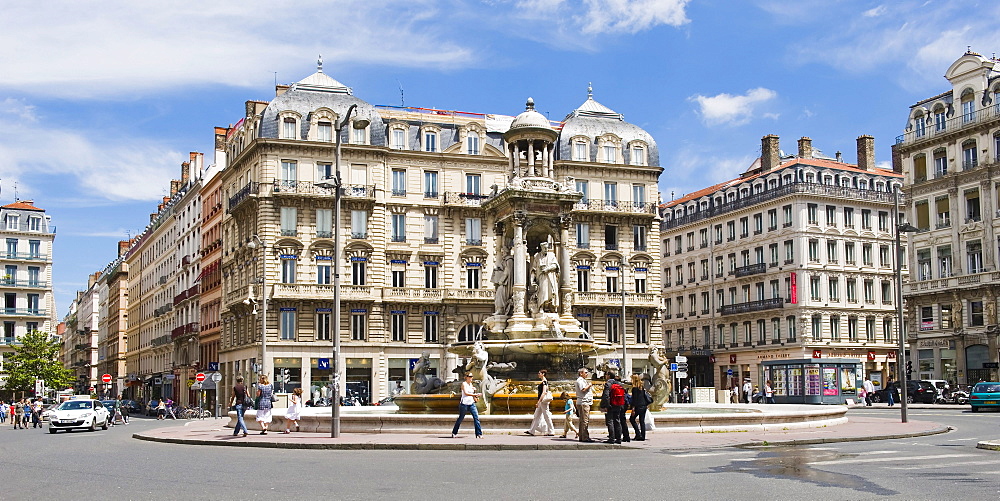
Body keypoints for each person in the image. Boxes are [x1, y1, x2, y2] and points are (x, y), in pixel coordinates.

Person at [451, 373, 483, 438]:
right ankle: (454, 432)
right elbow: (466, 393)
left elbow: (472, 393)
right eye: (470, 377)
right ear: (466, 377)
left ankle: (479, 434)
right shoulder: (464, 384)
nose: (471, 378)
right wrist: (474, 394)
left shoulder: (471, 384)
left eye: (472, 376)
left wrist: (475, 396)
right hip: (464, 404)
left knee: (476, 417)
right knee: (460, 418)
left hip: (471, 403)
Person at [525, 370, 555, 436]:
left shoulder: (544, 382)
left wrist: (539, 402)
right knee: (536, 415)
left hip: (543, 402)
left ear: (543, 374)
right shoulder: (544, 381)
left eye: (539, 373)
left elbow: (544, 392)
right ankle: (532, 430)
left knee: (546, 416)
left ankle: (551, 431)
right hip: (542, 401)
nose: (538, 374)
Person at [600, 373, 625, 444]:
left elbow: (606, 396)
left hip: (611, 405)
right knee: (617, 420)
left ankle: (611, 438)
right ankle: (619, 438)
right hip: (618, 404)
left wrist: (605, 405)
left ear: (608, 376)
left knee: (610, 421)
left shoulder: (608, 384)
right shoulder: (619, 384)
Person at [575, 367, 595, 443]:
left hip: (583, 402)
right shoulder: (580, 380)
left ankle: (582, 436)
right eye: (586, 372)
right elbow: (583, 389)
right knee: (585, 421)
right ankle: (585, 437)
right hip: (584, 402)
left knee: (582, 420)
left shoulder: (582, 380)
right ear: (581, 373)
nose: (587, 374)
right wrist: (589, 385)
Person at [629, 374, 649, 441]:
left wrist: (633, 409)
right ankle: (642, 436)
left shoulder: (634, 388)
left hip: (638, 407)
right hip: (644, 406)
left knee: (632, 419)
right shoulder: (641, 387)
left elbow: (635, 399)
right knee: (642, 421)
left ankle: (638, 434)